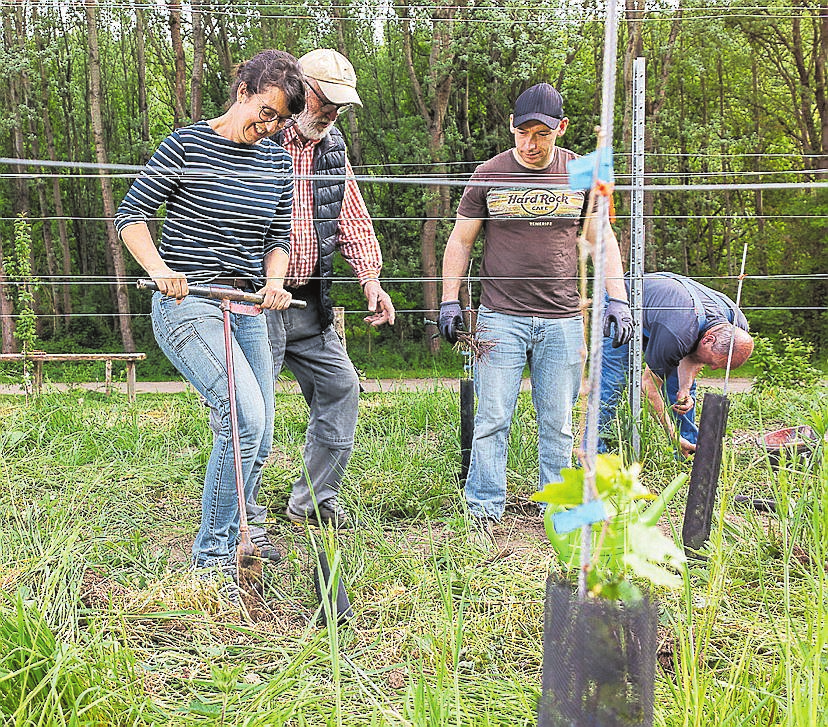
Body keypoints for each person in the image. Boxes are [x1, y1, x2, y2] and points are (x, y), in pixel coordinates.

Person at [115, 50, 306, 584]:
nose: (268, 128)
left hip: (244, 305)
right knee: (243, 416)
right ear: (242, 90)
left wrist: (273, 282)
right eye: (264, 113)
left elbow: (277, 240)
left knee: (261, 434)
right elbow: (130, 217)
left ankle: (243, 538)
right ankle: (213, 559)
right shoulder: (186, 145)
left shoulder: (276, 161)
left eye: (280, 121)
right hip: (187, 303)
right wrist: (160, 270)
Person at [438, 82, 633, 528]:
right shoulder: (488, 173)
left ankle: (559, 514)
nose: (531, 142)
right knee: (491, 419)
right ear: (511, 128)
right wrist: (450, 300)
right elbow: (460, 240)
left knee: (559, 425)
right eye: (523, 131)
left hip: (563, 320)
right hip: (499, 320)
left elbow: (601, 241)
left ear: (560, 129)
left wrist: (616, 299)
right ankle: (483, 512)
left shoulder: (582, 173)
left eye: (542, 133)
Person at [240, 48, 395, 547]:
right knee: (254, 411)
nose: (331, 112)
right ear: (297, 89)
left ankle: (311, 501)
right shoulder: (259, 132)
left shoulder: (332, 147)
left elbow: (351, 214)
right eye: (325, 100)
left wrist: (370, 279)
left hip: (309, 299)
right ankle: (247, 519)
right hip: (257, 299)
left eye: (339, 105)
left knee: (341, 387)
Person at [597, 272, 754, 458]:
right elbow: (647, 387)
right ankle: (593, 454)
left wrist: (684, 389)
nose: (711, 368)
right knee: (612, 380)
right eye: (712, 362)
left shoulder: (736, 324)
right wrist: (672, 435)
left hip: (669, 313)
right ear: (708, 339)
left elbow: (694, 355)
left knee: (682, 394)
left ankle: (688, 453)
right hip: (623, 300)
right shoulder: (678, 334)